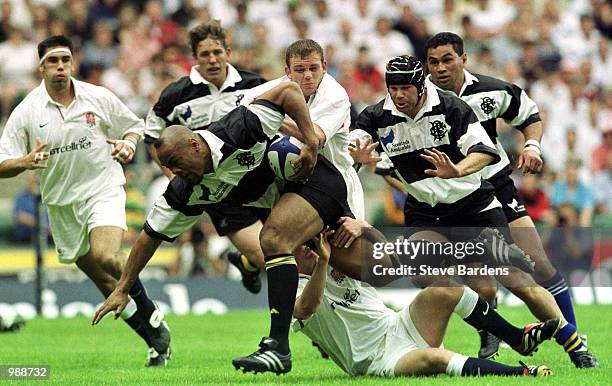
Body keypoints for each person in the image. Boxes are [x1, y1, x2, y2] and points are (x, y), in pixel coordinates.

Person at [351, 55, 596, 369]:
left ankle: (574, 345)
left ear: (420, 85)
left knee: (518, 281)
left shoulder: (452, 108)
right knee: (424, 272)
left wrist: (456, 170)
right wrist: (357, 156)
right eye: (393, 88)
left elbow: (485, 152)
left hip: (474, 205)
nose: (398, 95)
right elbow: (355, 146)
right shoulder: (376, 115)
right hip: (427, 212)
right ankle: (508, 333)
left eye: (405, 89)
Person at [91, 81, 331, 375]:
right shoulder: (185, 189)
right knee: (305, 267)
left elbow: (289, 90)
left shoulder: (238, 127)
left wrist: (311, 142)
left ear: (195, 144)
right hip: (266, 206)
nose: (175, 172)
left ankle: (279, 345)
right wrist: (123, 288)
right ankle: (289, 341)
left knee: (276, 242)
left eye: (177, 163)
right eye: (168, 166)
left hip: (315, 183)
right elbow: (149, 236)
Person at [424, 32, 597, 368]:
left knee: (538, 264)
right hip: (456, 197)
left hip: (497, 185)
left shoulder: (492, 90)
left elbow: (530, 116)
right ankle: (490, 330)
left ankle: (574, 337)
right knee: (485, 284)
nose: (441, 68)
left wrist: (531, 146)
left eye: (447, 59)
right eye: (433, 61)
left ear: (463, 59)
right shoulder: (422, 98)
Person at [0, 35, 171, 367]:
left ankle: (150, 312)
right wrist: (24, 162)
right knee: (107, 284)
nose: (60, 66)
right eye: (53, 61)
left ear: (73, 63)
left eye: (65, 60)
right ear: (41, 67)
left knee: (108, 256)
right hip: (62, 206)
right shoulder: (27, 111)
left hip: (102, 189)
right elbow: (2, 163)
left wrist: (129, 144)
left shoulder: (97, 96)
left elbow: (135, 126)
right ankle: (156, 342)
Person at [293, 230, 556, 378]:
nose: (309, 248)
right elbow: (307, 307)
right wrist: (324, 262)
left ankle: (516, 337)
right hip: (376, 359)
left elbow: (390, 261)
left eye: (309, 242)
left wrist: (366, 229)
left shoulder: (337, 260)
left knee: (446, 287)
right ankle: (520, 374)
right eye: (300, 246)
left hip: (398, 324)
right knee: (436, 358)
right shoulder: (292, 289)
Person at [227, 38, 366, 292]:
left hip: (335, 184)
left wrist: (272, 117)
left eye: (314, 68)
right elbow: (241, 113)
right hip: (291, 186)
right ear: (287, 71)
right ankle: (291, 321)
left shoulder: (335, 95)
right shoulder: (268, 90)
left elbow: (313, 137)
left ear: (325, 66)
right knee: (295, 255)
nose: (308, 76)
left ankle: (251, 261)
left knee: (346, 268)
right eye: (300, 70)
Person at [145, 20, 268, 294]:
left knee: (287, 247)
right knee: (270, 258)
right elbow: (152, 136)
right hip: (219, 191)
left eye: (217, 53)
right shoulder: (176, 95)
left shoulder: (254, 85)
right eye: (205, 54)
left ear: (228, 52)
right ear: (195, 57)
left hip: (262, 178)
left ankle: (246, 262)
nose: (212, 60)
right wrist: (172, 174)